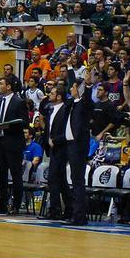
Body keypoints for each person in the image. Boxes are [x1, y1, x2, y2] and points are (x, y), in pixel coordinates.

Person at [45, 81, 91, 225]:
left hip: (77, 145)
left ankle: (79, 215)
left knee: (77, 181)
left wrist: (87, 86)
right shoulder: (71, 104)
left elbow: (86, 100)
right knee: (71, 179)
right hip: (71, 145)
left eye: (73, 87)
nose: (71, 89)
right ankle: (72, 212)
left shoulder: (81, 104)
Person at [0, 78, 28, 215]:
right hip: (0, 141)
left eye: (1, 84)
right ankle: (2, 205)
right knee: (1, 175)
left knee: (16, 175)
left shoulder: (19, 102)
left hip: (13, 142)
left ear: (9, 86)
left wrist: (9, 125)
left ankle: (16, 205)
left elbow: (25, 121)